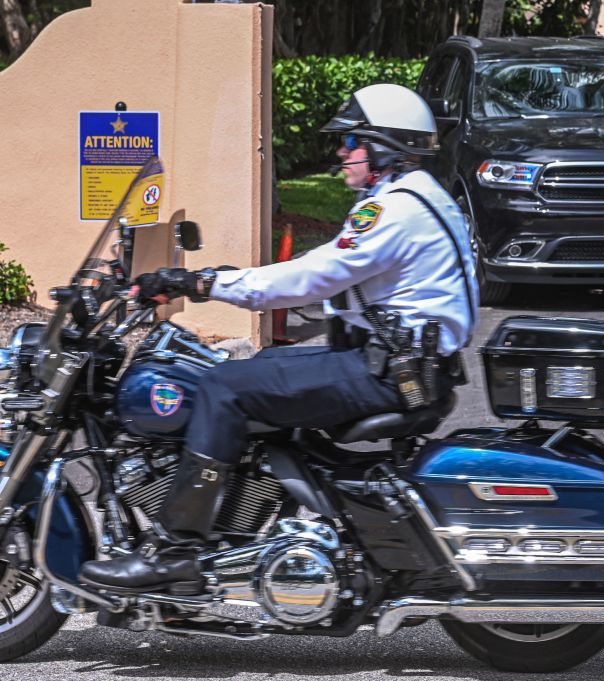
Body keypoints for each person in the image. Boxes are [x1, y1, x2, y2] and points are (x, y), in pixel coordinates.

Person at [79, 84, 479, 594]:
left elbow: (311, 277)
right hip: (399, 366)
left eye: (352, 141)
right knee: (264, 367)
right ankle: (251, 526)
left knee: (224, 386)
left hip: (387, 373)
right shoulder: (418, 199)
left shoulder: (394, 209)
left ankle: (178, 550)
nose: (341, 153)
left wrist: (202, 283)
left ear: (386, 149)